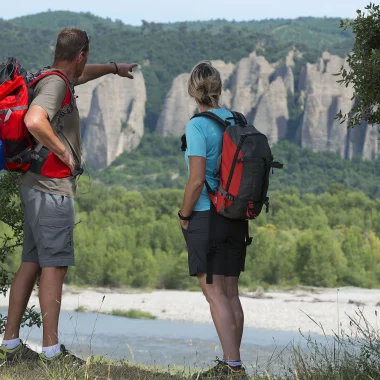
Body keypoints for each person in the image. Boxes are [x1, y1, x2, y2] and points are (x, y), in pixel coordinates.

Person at [0, 28, 137, 366]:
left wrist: (112, 67)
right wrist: (65, 153)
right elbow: (34, 120)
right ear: (81, 55)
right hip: (51, 189)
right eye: (86, 58)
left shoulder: (52, 77)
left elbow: (78, 77)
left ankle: (11, 345)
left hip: (34, 185)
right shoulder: (57, 85)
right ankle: (51, 352)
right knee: (54, 267)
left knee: (31, 263)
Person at [179, 61, 248, 379]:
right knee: (231, 291)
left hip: (206, 216)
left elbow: (195, 181)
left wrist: (184, 215)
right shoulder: (237, 119)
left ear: (194, 92)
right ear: (218, 88)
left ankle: (232, 366)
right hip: (235, 217)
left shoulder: (197, 126)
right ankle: (232, 361)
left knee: (213, 292)